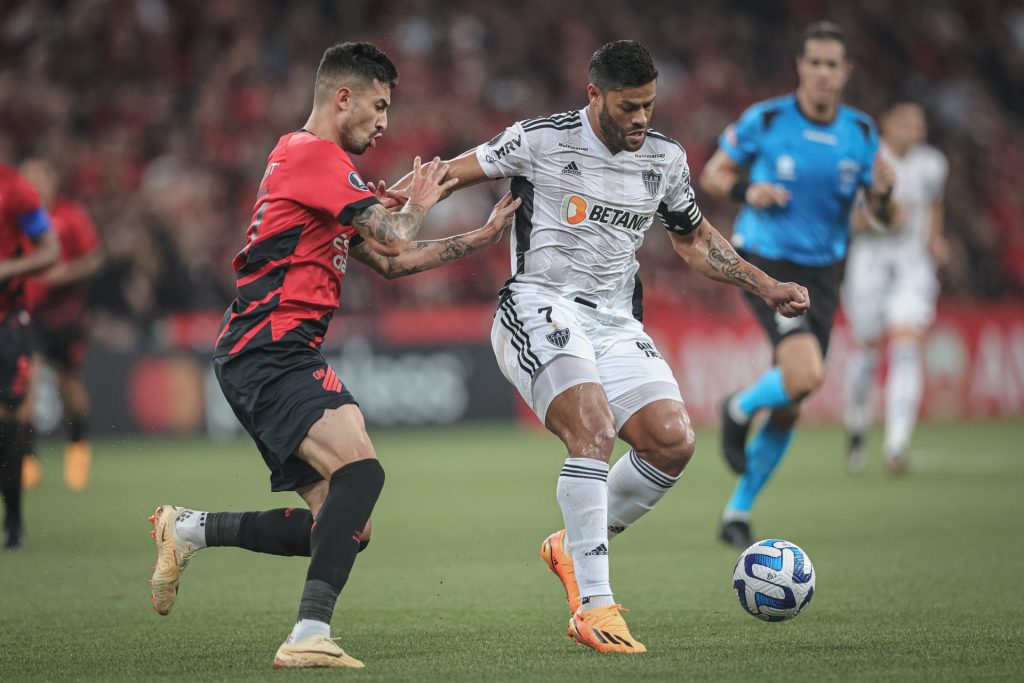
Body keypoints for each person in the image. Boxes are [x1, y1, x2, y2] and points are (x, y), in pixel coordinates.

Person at [389, 40, 809, 653]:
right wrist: (377, 213)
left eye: (649, 106)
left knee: (672, 442)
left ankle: (571, 543)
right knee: (592, 426)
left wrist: (765, 284)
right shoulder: (540, 140)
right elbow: (447, 174)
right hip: (536, 304)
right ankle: (595, 605)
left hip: (614, 322)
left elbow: (693, 240)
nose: (642, 118)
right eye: (629, 106)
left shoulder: (664, 158)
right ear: (594, 96)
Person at [147, 42, 520, 669]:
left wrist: (476, 239)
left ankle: (186, 529)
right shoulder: (313, 156)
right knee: (363, 473)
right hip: (268, 348)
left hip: (272, 350)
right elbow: (398, 233)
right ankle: (307, 635)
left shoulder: (316, 167)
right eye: (378, 106)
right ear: (341, 98)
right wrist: (426, 198)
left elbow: (390, 260)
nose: (384, 122)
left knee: (347, 525)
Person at [699, 21, 896, 548]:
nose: (824, 74)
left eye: (834, 65)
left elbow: (886, 215)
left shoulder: (862, 133)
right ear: (800, 68)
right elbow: (713, 174)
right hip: (769, 262)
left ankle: (736, 512)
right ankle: (738, 407)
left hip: (827, 272)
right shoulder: (766, 120)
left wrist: (881, 197)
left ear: (846, 71)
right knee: (806, 375)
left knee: (790, 399)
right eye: (816, 63)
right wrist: (748, 187)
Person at [841, 102, 948, 475]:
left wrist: (934, 238)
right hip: (868, 266)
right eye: (907, 123)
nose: (916, 130)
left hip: (912, 268)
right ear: (887, 125)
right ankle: (856, 425)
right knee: (867, 353)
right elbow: (847, 217)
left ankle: (896, 445)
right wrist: (880, 223)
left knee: (905, 348)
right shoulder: (864, 161)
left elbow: (934, 204)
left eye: (920, 123)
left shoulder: (933, 164)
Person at [18, 158, 105, 492]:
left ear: (53, 181)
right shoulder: (15, 221)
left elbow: (95, 258)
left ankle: (78, 447)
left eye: (40, 177)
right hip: (28, 313)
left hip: (65, 314)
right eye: (28, 179)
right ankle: (26, 458)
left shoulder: (70, 216)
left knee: (69, 388)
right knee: (27, 379)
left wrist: (65, 274)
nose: (34, 185)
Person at [0, 162, 59, 550]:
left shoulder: (15, 190)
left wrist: (9, 267)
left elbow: (50, 250)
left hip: (7, 321)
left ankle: (14, 521)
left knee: (9, 423)